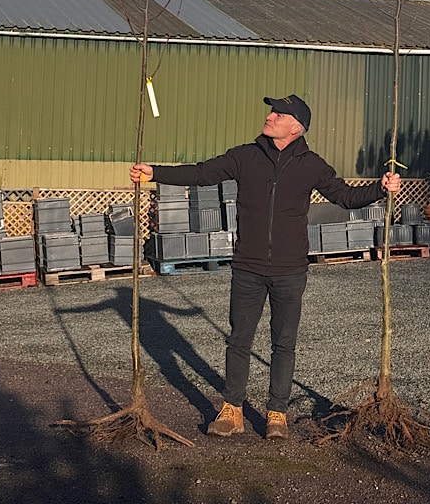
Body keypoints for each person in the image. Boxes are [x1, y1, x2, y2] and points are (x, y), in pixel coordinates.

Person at [130, 93, 401, 440]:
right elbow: (201, 173)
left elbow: (345, 196)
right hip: (248, 267)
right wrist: (154, 172)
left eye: (279, 113)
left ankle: (277, 413)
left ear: (296, 127)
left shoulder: (312, 164)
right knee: (239, 340)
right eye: (272, 111)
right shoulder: (246, 156)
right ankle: (232, 410)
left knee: (283, 343)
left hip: (290, 270)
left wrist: (380, 188)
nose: (270, 116)